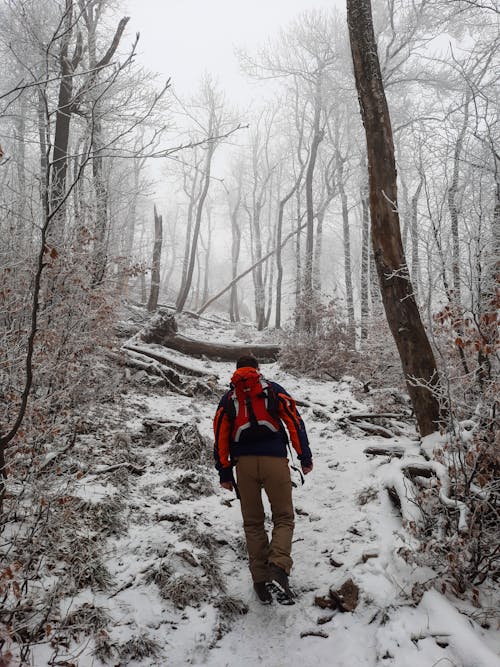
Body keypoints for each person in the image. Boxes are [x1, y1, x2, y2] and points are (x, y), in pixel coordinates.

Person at [213, 353, 313, 604]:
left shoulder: (229, 399)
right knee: (283, 517)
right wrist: (305, 457)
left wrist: (224, 472)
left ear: (236, 371)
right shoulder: (273, 391)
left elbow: (220, 437)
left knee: (253, 522)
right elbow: (294, 422)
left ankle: (260, 580)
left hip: (243, 467)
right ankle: (278, 564)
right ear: (258, 369)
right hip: (275, 462)